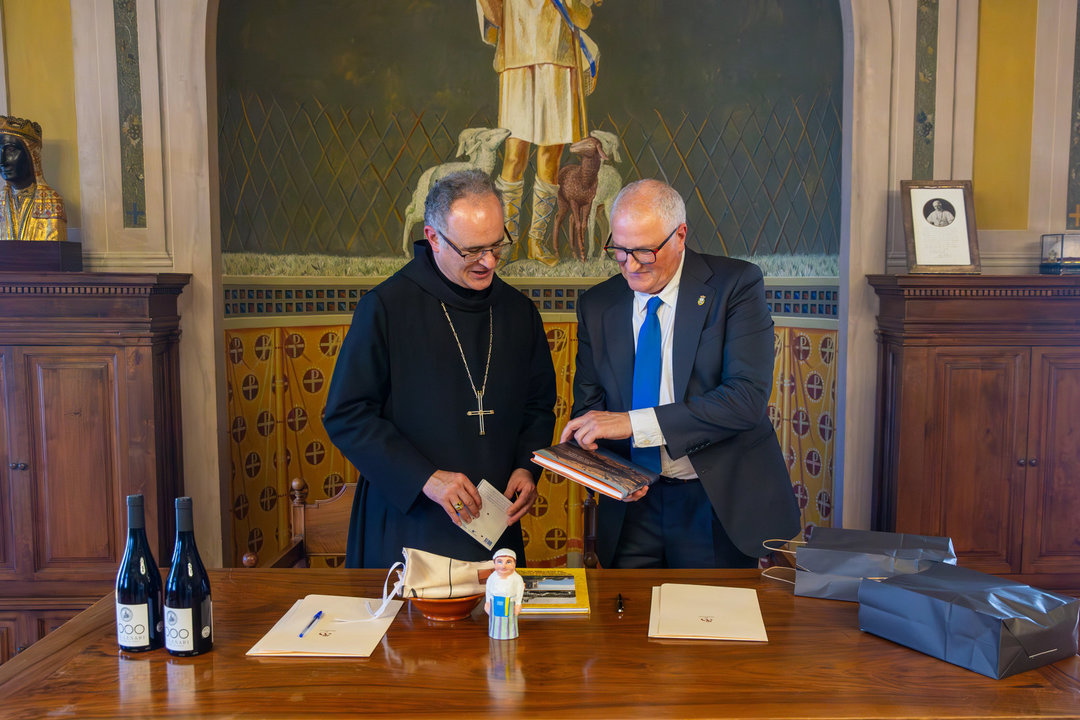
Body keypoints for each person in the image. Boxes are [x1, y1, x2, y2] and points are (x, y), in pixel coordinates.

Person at [559, 179, 801, 569]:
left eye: (644, 252)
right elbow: (591, 408)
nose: (631, 266)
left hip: (713, 502)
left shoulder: (734, 286)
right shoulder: (597, 304)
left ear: (680, 235)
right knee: (628, 626)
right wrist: (606, 469)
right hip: (632, 508)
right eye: (619, 251)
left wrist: (633, 424)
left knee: (711, 626)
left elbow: (744, 402)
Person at [323, 169, 556, 568]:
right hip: (409, 524)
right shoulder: (386, 308)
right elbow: (346, 415)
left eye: (497, 246)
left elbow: (538, 406)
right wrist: (427, 479)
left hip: (492, 530)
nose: (488, 261)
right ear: (433, 237)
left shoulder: (519, 312)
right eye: (472, 251)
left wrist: (525, 465)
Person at [476, 0, 599, 265]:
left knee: (550, 156)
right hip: (517, 50)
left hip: (558, 49)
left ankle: (537, 242)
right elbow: (494, 14)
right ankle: (507, 241)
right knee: (514, 154)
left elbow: (583, 13)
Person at [0, 115, 66, 242]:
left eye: (11, 150)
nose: (2, 160)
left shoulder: (52, 202)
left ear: (32, 156)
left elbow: (53, 256)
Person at [484, 547, 525, 639]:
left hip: (511, 603)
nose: (503, 566)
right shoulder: (492, 577)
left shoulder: (517, 578)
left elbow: (519, 591)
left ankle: (510, 634)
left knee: (509, 621)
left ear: (514, 563)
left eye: (508, 562)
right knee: (496, 621)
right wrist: (487, 602)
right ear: (494, 563)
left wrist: (518, 604)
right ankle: (495, 633)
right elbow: (488, 590)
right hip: (495, 603)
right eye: (499, 562)